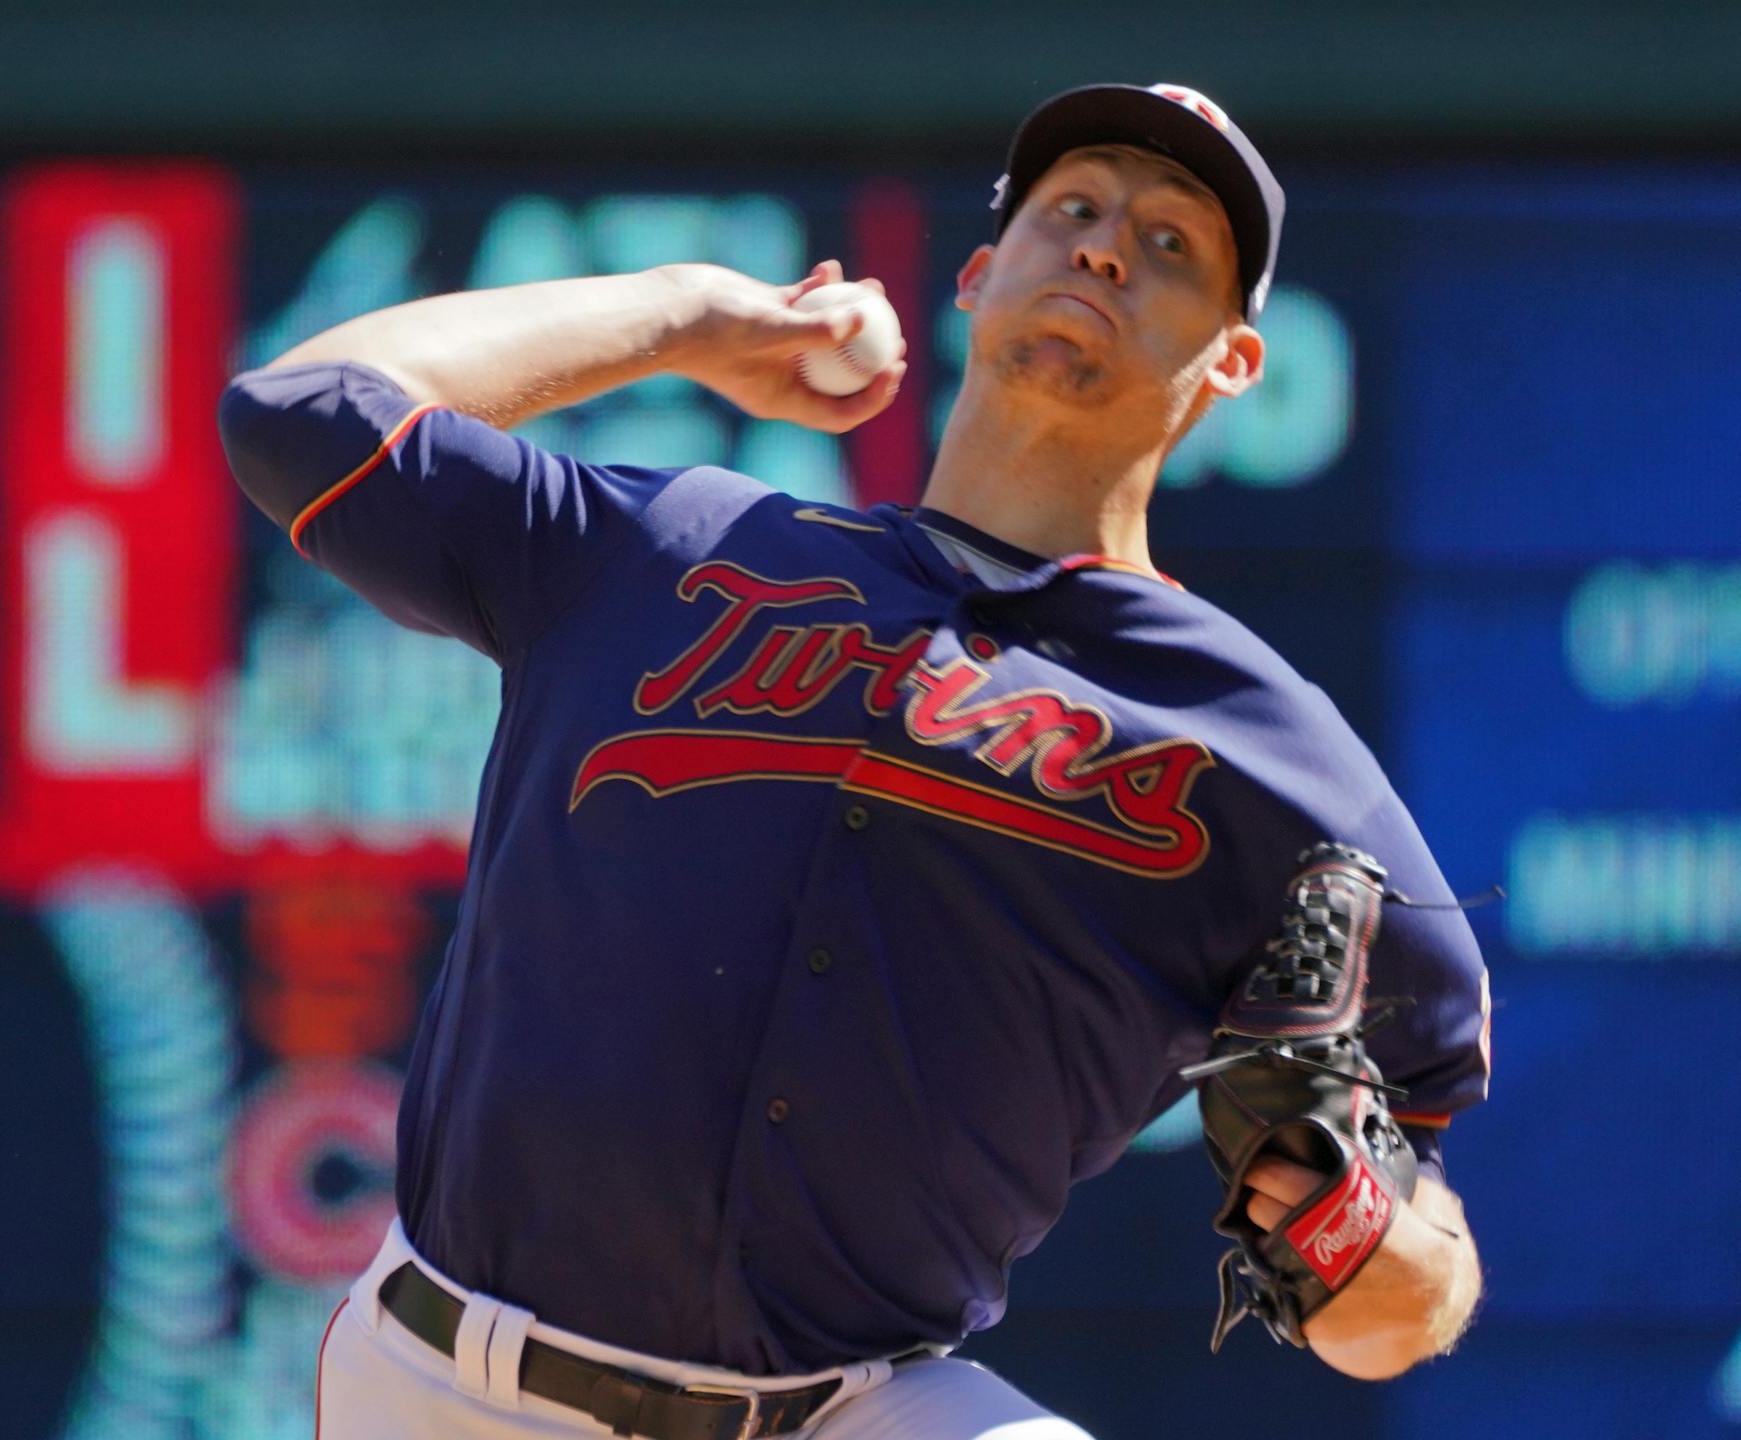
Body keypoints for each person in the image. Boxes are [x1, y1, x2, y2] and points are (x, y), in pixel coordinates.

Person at [220, 81, 1491, 1440]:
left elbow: (1401, 1319)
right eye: (1072, 210)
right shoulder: (673, 546)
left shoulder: (1269, 756)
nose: (1109, 247)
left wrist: (1340, 1205)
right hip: (446, 1387)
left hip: (852, 1411)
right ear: (979, 276)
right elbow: (300, 410)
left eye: (1173, 243)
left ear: (1239, 358)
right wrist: (694, 314)